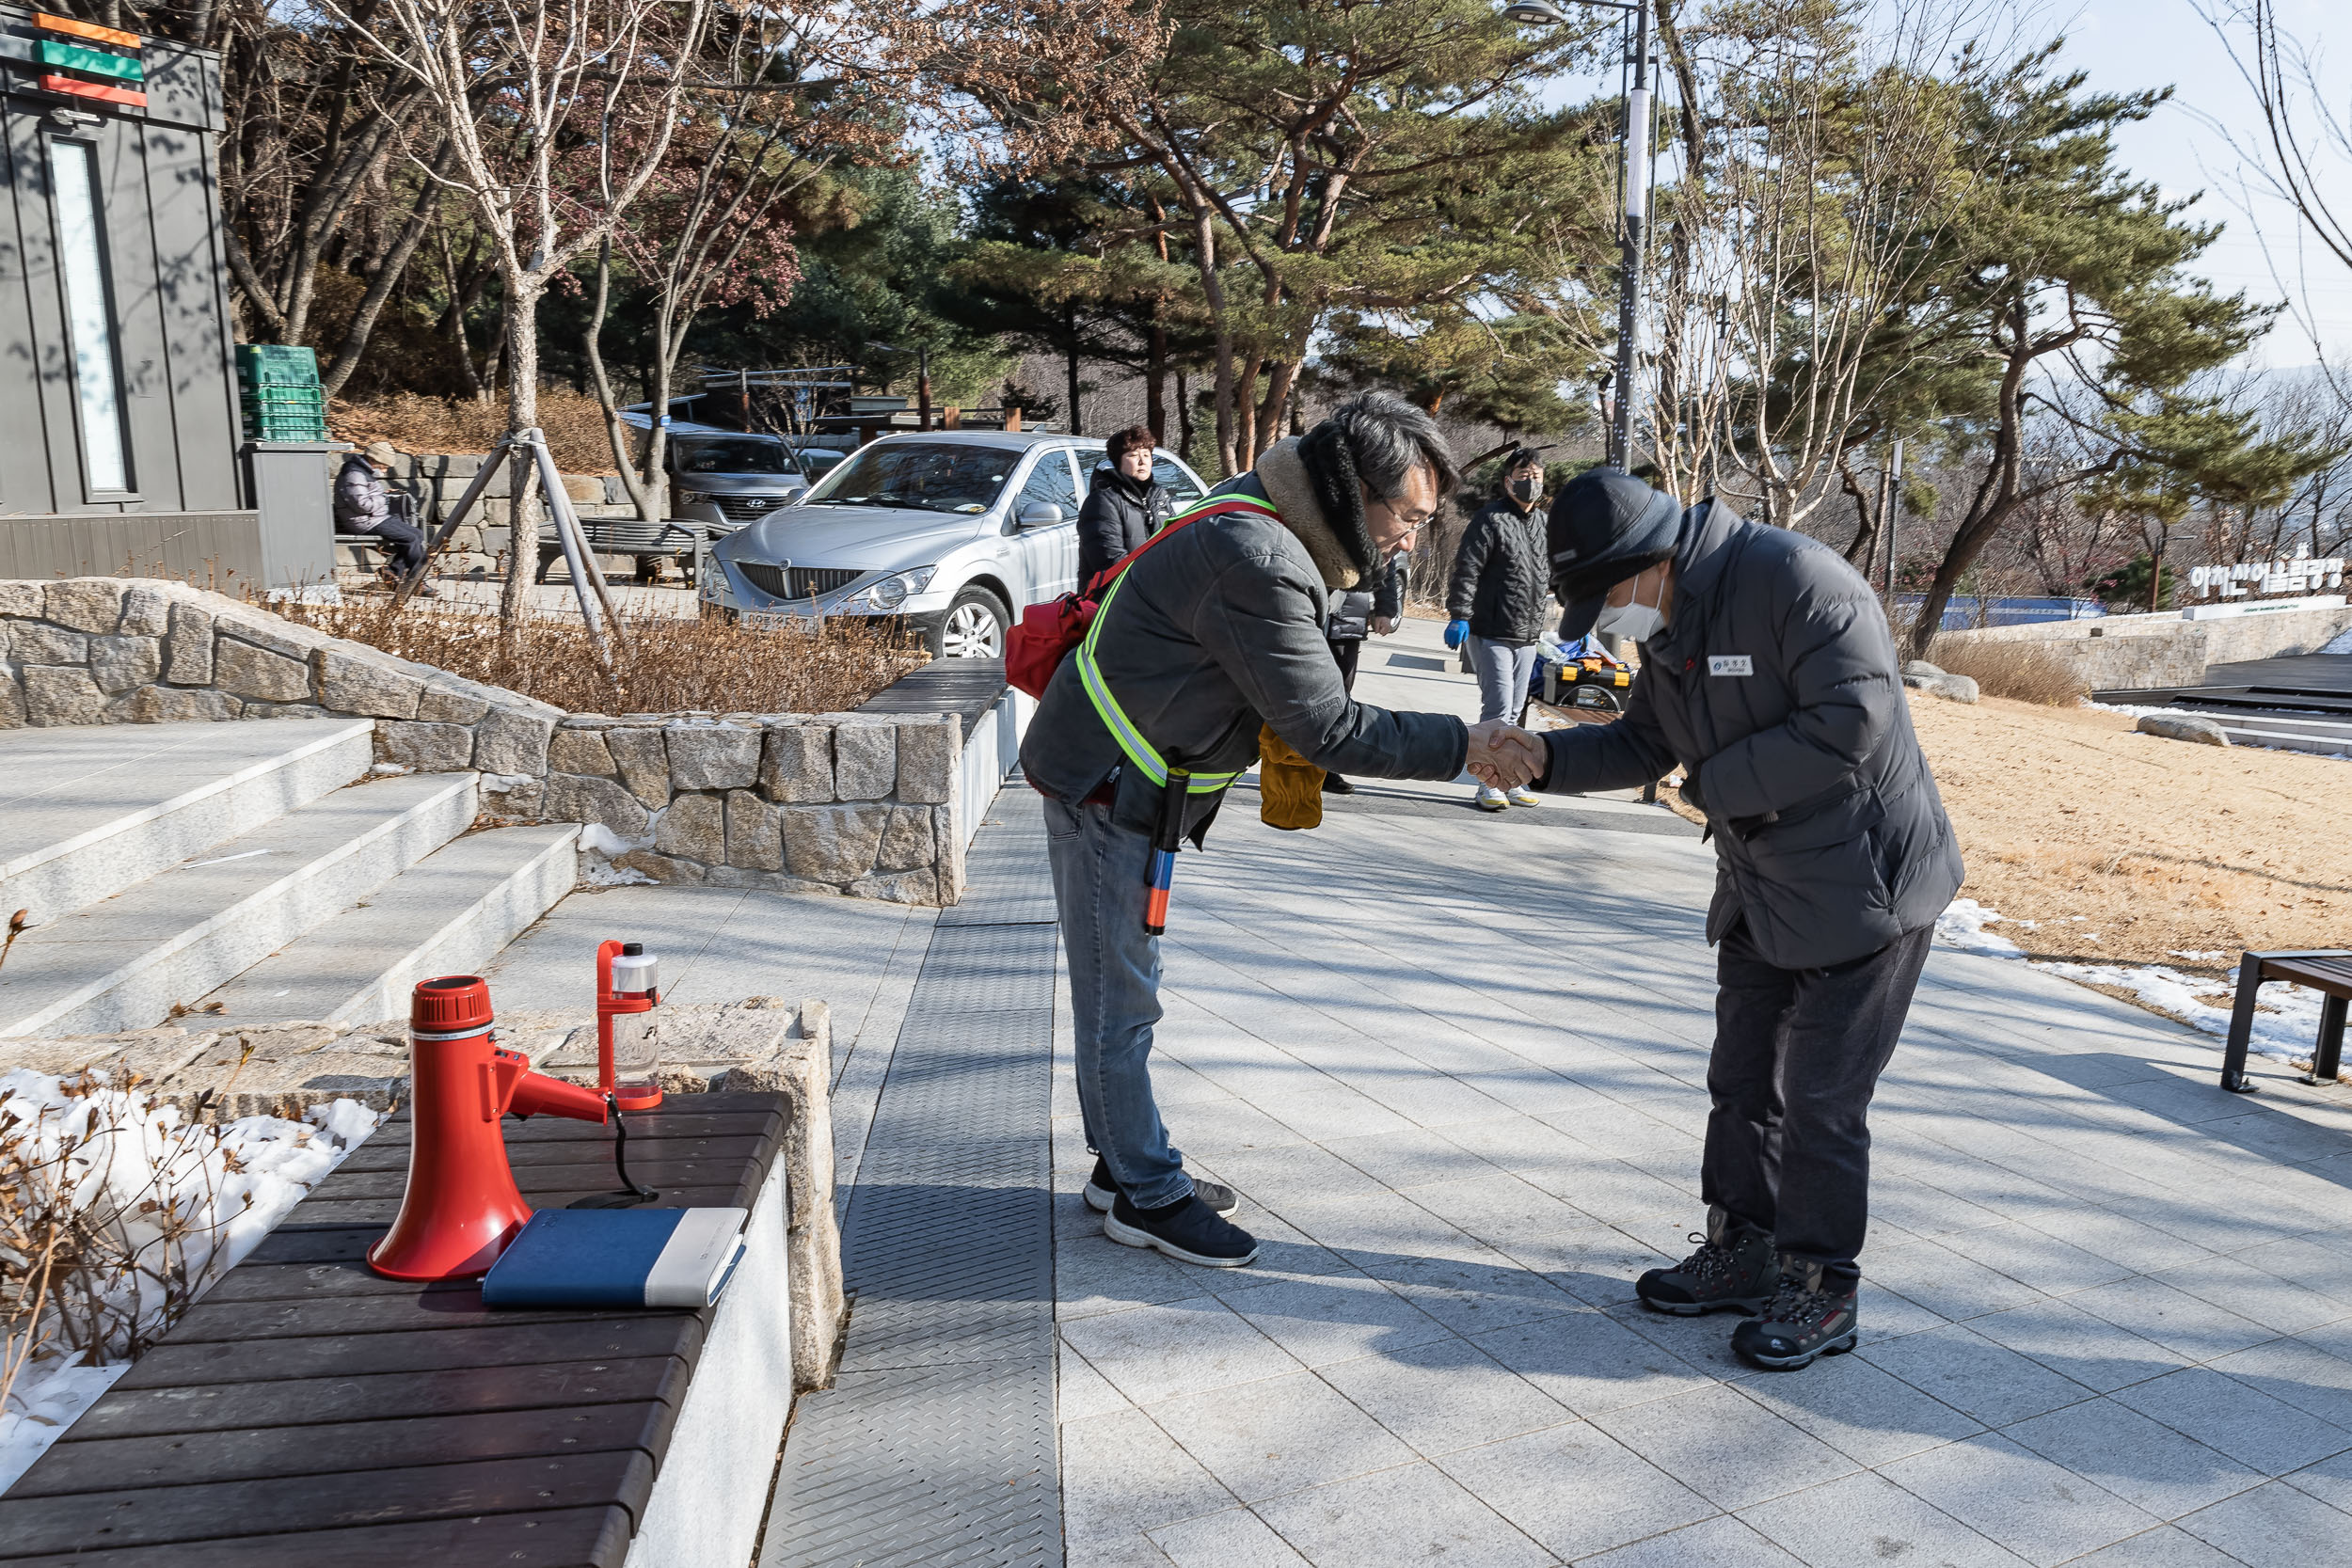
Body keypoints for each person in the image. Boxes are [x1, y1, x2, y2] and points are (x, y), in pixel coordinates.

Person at [1021, 394, 1539, 1269]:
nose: (1412, 538)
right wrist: (1468, 743)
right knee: (1122, 996)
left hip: (1121, 777)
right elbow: (1329, 729)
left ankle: (1120, 1165)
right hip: (1112, 788)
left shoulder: (1267, 507)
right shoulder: (1257, 556)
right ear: (1351, 491)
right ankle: (1146, 1192)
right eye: (1406, 517)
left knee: (1117, 986)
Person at [1498, 467, 1963, 1370]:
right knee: (1742, 1080)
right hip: (1762, 879)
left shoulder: (1798, 580)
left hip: (1867, 885)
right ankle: (1744, 1246)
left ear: (1650, 561)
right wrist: (1543, 759)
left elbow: (1851, 719)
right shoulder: (1671, 626)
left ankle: (1824, 1287)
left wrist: (1715, 785)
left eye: (1605, 597)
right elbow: (1644, 740)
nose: (1606, 621)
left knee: (1824, 1100)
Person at [1444, 448, 1551, 811]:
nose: (1531, 481)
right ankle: (1486, 782)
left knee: (1518, 712)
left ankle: (1513, 780)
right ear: (1508, 481)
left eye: (1536, 475)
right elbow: (1467, 569)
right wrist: (1459, 614)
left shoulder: (1544, 523)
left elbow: (1551, 573)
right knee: (1499, 709)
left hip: (1528, 633)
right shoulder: (1490, 519)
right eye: (1524, 475)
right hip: (1490, 631)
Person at [1318, 553, 1403, 795]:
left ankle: (1327, 767)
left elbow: (1385, 557)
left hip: (1349, 615)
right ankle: (1284, 761)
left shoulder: (1376, 520)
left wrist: (1385, 608)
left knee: (1339, 698)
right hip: (1311, 606)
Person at [1077, 424, 1175, 585]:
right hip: (1114, 601)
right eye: (1133, 455)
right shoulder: (1102, 501)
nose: (1142, 461)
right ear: (1118, 462)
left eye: (1147, 454)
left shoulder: (1160, 497)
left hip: (1157, 598)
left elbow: (1177, 545)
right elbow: (1110, 561)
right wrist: (1154, 583)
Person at [335, 440, 436, 596]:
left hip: (375, 518)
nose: (385, 470)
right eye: (384, 466)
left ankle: (392, 571)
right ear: (374, 460)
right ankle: (416, 582)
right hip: (364, 522)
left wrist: (384, 495)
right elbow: (361, 504)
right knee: (410, 537)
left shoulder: (362, 472)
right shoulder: (354, 474)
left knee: (417, 534)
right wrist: (384, 498)